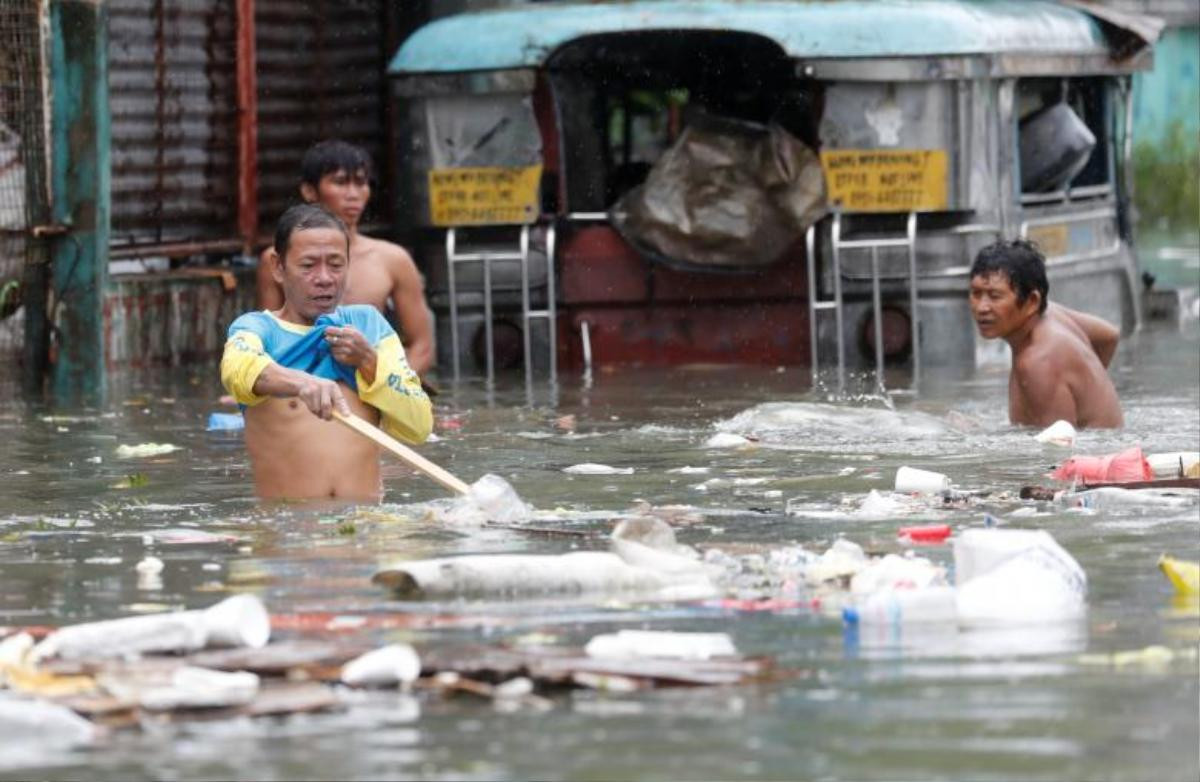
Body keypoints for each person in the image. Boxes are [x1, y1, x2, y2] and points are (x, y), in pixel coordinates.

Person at [223, 204, 433, 500]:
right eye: (308, 266)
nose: (324, 278)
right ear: (278, 267)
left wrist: (368, 362)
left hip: (368, 531)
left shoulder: (369, 325)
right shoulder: (256, 329)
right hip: (288, 533)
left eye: (336, 265)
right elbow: (238, 369)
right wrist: (302, 383)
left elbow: (419, 426)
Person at [257, 140, 434, 375]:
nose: (353, 194)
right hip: (302, 384)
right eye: (340, 182)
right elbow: (267, 340)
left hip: (372, 378)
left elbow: (422, 344)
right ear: (309, 191)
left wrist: (396, 386)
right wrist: (269, 383)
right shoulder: (277, 260)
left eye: (361, 183)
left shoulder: (393, 259)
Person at [968, 239, 1123, 429]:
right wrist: (1087, 393)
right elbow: (1110, 335)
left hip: (1096, 455)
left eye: (995, 296)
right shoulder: (1052, 313)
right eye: (976, 293)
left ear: (1031, 302)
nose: (982, 307)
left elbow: (1055, 451)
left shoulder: (1039, 361)